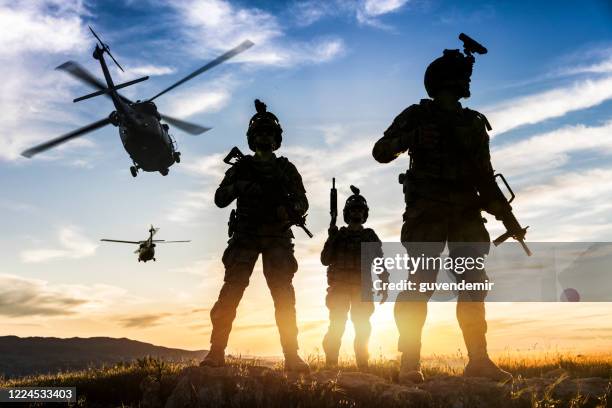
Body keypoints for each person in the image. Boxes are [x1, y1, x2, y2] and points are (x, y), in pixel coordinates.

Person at [372, 43, 512, 383]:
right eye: (464, 75)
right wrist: (412, 136)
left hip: (465, 215)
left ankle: (478, 360)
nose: (468, 81)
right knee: (420, 284)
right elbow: (381, 151)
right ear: (447, 80)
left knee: (473, 285)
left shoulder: (474, 123)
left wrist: (504, 213)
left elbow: (485, 175)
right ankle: (409, 362)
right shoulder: (417, 115)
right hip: (428, 214)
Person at [201, 99, 309, 372]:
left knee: (284, 296)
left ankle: (292, 356)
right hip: (246, 235)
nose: (264, 138)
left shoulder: (286, 169)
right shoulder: (241, 168)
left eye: (269, 134)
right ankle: (216, 351)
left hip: (277, 237)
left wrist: (291, 210)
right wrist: (241, 186)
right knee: (231, 293)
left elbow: (303, 202)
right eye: (259, 134)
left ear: (276, 139)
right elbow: (219, 198)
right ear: (251, 138)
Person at [321, 186, 388, 369]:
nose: (356, 213)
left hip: (361, 287)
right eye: (353, 210)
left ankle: (363, 365)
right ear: (347, 213)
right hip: (339, 288)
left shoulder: (369, 236)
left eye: (359, 210)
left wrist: (384, 285)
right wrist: (332, 237)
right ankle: (331, 364)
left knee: (362, 327)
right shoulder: (339, 235)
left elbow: (380, 262)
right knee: (337, 325)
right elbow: (325, 260)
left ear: (364, 213)